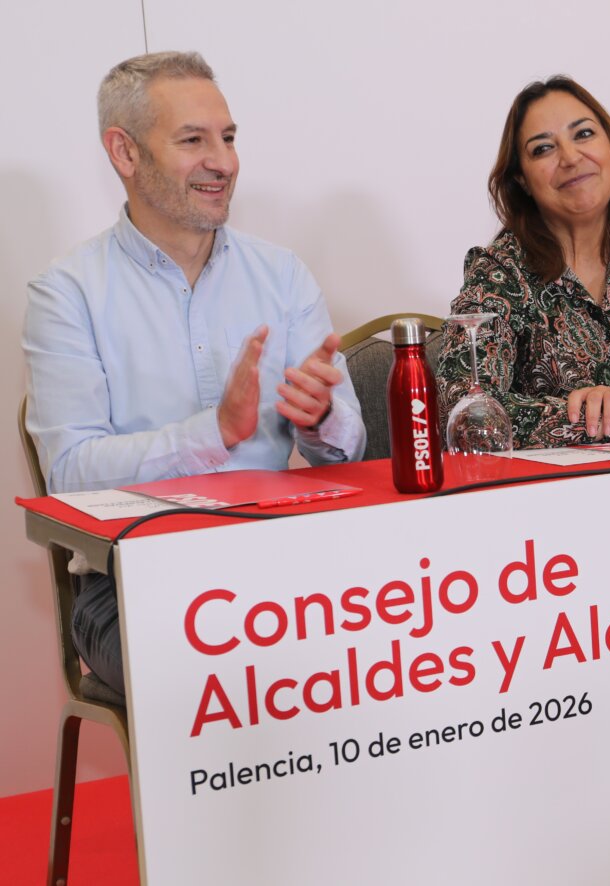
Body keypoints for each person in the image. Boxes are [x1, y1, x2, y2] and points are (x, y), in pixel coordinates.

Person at [22, 52, 365, 695]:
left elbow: (348, 450)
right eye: (193, 140)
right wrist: (213, 432)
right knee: (243, 671)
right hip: (130, 581)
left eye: (228, 138)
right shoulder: (68, 293)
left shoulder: (282, 274)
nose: (224, 161)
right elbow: (69, 476)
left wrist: (320, 419)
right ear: (124, 152)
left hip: (282, 563)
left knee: (396, 640)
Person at [438, 76, 610, 449]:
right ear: (522, 179)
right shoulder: (498, 273)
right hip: (563, 484)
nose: (570, 158)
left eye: (583, 134)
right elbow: (465, 413)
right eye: (543, 149)